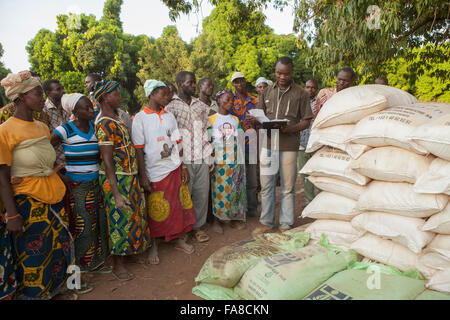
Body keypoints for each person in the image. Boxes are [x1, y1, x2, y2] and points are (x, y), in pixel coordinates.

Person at [0, 71, 75, 300]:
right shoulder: (5, 131)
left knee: (57, 248)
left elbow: (45, 161)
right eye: (37, 93)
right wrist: (12, 214)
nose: (42, 98)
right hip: (28, 201)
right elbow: (2, 176)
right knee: (34, 253)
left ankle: (55, 291)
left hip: (52, 194)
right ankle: (36, 296)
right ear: (21, 97)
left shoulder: (42, 127)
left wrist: (58, 175)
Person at [50, 93, 109, 293]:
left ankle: (95, 265)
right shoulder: (65, 129)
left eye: (92, 106)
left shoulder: (95, 128)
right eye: (86, 107)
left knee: (98, 226)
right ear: (74, 111)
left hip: (96, 184)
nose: (92, 110)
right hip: (77, 188)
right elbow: (46, 150)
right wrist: (59, 174)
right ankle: (75, 279)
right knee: (81, 230)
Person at [132, 80, 196, 265]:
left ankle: (179, 239)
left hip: (174, 167)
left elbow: (178, 142)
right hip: (154, 170)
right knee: (156, 208)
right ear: (151, 94)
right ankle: (154, 244)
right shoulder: (140, 118)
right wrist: (143, 176)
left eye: (168, 94)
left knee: (178, 205)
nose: (168, 97)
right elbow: (138, 149)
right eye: (164, 94)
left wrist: (183, 166)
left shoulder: (169, 116)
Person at [93, 79, 151, 281]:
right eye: (115, 93)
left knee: (133, 216)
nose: (119, 96)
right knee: (118, 219)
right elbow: (107, 160)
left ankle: (131, 254)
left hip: (129, 176)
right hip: (115, 179)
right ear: (104, 97)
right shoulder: (103, 123)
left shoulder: (117, 119)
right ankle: (118, 264)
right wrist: (115, 193)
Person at [248, 57, 313, 235]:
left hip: (289, 145)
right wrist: (256, 118)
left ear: (291, 72)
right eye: (278, 73)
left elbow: (306, 120)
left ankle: (285, 224)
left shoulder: (301, 93)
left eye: (286, 73)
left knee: (288, 187)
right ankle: (266, 223)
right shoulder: (266, 91)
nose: (282, 76)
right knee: (267, 186)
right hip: (268, 144)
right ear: (275, 72)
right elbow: (260, 114)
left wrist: (291, 128)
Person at [165, 71, 212, 244]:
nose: (193, 85)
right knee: (184, 196)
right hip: (183, 160)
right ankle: (184, 229)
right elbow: (170, 136)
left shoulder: (200, 105)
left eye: (194, 82)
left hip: (201, 156)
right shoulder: (171, 107)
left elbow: (206, 130)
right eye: (190, 83)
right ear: (180, 84)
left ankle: (198, 228)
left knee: (201, 194)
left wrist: (210, 155)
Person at [209, 90, 247, 234]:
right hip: (219, 161)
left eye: (232, 100)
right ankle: (216, 220)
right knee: (218, 190)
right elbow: (208, 141)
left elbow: (240, 141)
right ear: (218, 100)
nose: (231, 102)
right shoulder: (211, 119)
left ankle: (233, 219)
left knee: (235, 189)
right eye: (227, 99)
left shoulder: (235, 120)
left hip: (235, 159)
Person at [230, 71, 259, 217]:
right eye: (236, 81)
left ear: (245, 81)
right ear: (233, 84)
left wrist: (256, 121)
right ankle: (239, 210)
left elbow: (261, 122)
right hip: (235, 146)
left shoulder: (254, 101)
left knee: (253, 179)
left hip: (252, 145)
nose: (239, 84)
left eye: (241, 81)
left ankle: (253, 208)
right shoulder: (229, 100)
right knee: (237, 179)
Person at [299, 79, 319, 207]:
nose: (310, 90)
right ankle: (309, 201)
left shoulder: (320, 103)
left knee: (318, 173)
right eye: (307, 87)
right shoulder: (299, 102)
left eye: (312, 87)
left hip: (316, 144)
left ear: (316, 89)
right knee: (305, 175)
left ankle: (322, 201)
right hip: (301, 144)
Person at [42, 79, 70, 165]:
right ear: (48, 93)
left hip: (73, 159)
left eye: (62, 88)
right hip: (56, 162)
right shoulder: (43, 111)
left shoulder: (68, 106)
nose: (63, 91)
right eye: (58, 89)